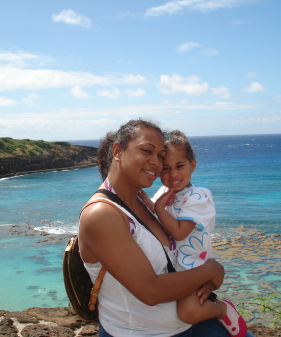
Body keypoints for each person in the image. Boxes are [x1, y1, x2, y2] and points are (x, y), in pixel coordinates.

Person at [78, 118, 255, 337]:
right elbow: (151, 291)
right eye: (146, 151)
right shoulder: (102, 214)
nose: (156, 162)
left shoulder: (143, 201)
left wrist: (202, 282)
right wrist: (211, 270)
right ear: (117, 151)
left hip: (191, 325)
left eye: (160, 156)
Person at [151, 130, 247, 337]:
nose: (173, 174)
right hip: (170, 268)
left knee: (189, 312)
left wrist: (158, 208)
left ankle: (223, 309)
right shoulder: (162, 193)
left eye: (180, 166)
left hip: (191, 268)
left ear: (192, 165)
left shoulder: (198, 196)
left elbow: (179, 232)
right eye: (165, 168)